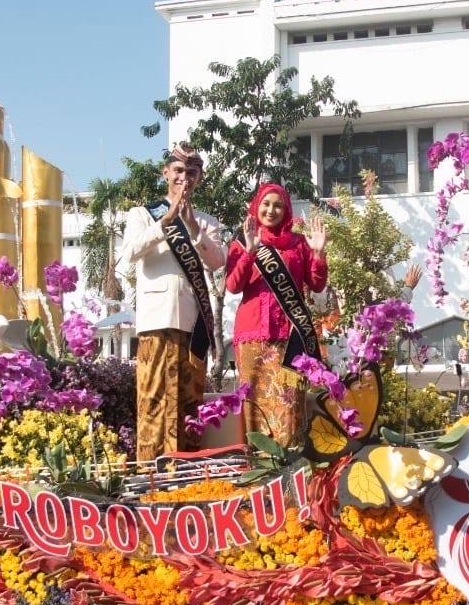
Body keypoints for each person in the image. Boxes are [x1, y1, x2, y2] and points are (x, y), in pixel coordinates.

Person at [123, 146, 225, 463]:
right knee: (153, 396)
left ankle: (186, 468)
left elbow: (217, 261)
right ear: (165, 173)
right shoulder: (142, 214)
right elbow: (131, 252)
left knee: (189, 399)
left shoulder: (207, 222)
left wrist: (193, 227)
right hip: (156, 320)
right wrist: (166, 222)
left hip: (194, 323)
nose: (184, 177)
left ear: (200, 178)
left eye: (191, 172)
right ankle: (150, 470)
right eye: (178, 170)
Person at [225, 182, 328, 445]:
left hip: (290, 335)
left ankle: (292, 466)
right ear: (256, 207)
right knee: (255, 402)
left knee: (289, 402)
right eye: (266, 204)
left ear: (286, 209)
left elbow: (316, 284)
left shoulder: (298, 244)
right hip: (252, 335)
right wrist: (249, 252)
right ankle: (258, 466)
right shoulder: (242, 241)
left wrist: (318, 253)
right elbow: (233, 286)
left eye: (278, 205)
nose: (271, 210)